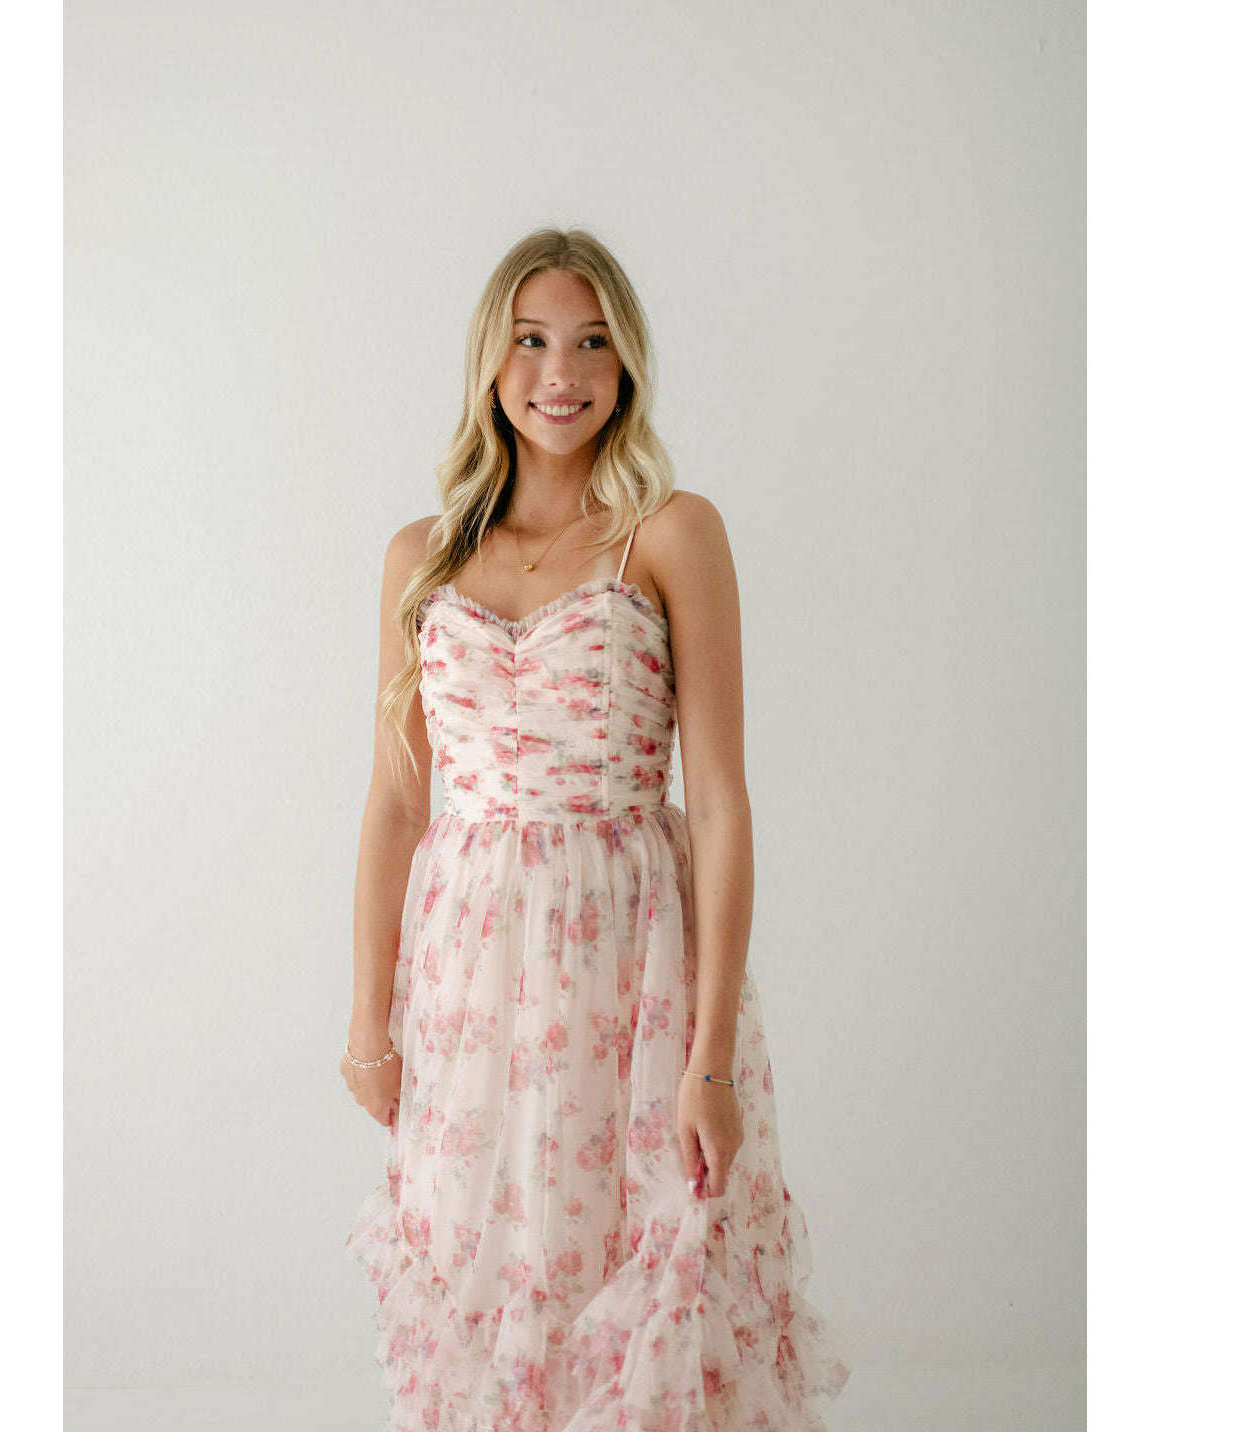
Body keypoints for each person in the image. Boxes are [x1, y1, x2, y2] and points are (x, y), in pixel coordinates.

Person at [341, 227, 852, 1429]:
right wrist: (369, 1017)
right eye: (530, 340)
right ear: (490, 359)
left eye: (591, 342)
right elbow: (398, 803)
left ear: (626, 364)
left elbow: (717, 800)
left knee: (642, 1269)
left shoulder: (669, 533)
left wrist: (709, 1058)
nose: (559, 372)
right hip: (471, 990)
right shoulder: (421, 558)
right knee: (485, 1272)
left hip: (634, 974)